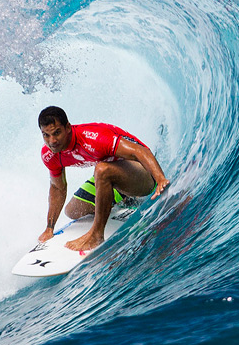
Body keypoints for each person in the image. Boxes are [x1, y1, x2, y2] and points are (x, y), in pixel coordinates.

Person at [38, 106, 170, 251]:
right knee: (73, 211)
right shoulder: (49, 154)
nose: (52, 141)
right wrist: (49, 227)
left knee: (101, 170)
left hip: (143, 173)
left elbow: (139, 151)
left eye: (57, 133)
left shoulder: (93, 137)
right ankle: (124, 198)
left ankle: (96, 235)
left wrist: (160, 179)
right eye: (46, 135)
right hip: (115, 173)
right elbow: (57, 187)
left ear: (68, 128)